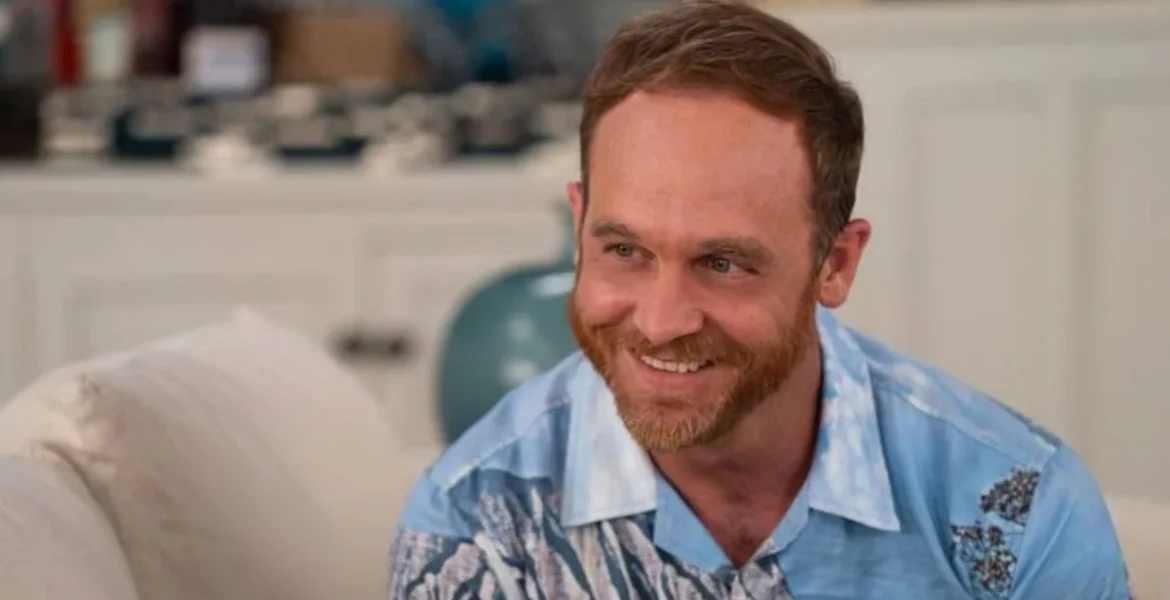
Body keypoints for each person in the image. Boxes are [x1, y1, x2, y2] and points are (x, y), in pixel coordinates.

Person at [388, 1, 1131, 598]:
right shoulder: (472, 524)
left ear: (835, 263)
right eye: (624, 251)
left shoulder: (1016, 509)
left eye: (723, 263)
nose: (660, 321)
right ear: (579, 225)